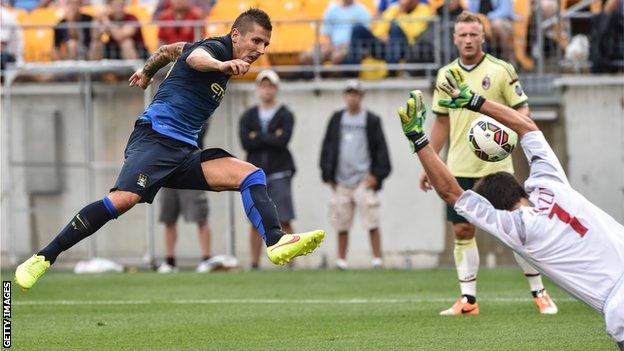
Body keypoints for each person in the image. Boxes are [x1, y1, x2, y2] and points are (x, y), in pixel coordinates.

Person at [15, 8, 326, 290]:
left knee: (250, 174)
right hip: (156, 138)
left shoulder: (210, 50)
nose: (260, 50)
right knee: (123, 200)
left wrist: (148, 72)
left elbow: (169, 51)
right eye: (256, 41)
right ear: (235, 35)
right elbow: (194, 59)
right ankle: (43, 258)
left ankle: (275, 241)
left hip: (184, 151)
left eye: (265, 45)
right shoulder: (216, 50)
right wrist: (221, 64)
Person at [396, 69, 624, 348]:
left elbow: (451, 193)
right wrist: (475, 102)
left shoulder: (519, 228)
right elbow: (526, 126)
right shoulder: (551, 183)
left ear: (498, 209)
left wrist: (419, 139)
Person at [426, 11, 557, 316]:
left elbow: (523, 113)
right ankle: (468, 301)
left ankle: (540, 292)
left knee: (518, 230)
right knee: (462, 231)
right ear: (454, 38)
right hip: (457, 167)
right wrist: (429, 162)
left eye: (474, 34)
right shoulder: (446, 75)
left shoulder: (501, 70)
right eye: (463, 35)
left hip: (497, 168)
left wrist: (504, 136)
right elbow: (441, 122)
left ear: (483, 37)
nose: (469, 40)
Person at [320, 80, 391, 269]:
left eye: (356, 94)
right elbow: (327, 147)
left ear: (361, 96)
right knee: (341, 222)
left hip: (363, 180)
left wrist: (376, 176)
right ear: (345, 96)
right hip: (341, 181)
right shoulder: (337, 119)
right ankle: (341, 260)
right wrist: (328, 175)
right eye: (349, 93)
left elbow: (381, 150)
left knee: (372, 220)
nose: (352, 97)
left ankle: (377, 259)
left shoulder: (371, 120)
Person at [239, 69, 297, 270]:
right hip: (256, 175)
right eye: (263, 86)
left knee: (284, 218)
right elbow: (246, 142)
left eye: (270, 86)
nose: (267, 90)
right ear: (258, 89)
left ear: (276, 89)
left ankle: (291, 263)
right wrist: (272, 135)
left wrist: (259, 136)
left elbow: (283, 141)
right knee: (256, 220)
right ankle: (254, 262)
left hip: (280, 172)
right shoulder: (248, 115)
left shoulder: (285, 114)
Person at [157, 123, 213, 273]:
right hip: (168, 170)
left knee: (201, 216)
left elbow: (195, 133)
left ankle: (206, 260)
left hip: (192, 168)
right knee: (168, 218)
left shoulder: (197, 110)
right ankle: (170, 261)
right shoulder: (165, 110)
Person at [345, 0, 432, 69]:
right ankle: (351, 71)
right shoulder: (394, 8)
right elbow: (379, 30)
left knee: (395, 29)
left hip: (407, 48)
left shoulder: (424, 9)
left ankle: (392, 71)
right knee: (358, 29)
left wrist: (400, 14)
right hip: (386, 46)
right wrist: (383, 36)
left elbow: (413, 33)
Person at [299, 0, 371, 67]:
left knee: (336, 57)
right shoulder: (332, 10)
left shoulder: (362, 11)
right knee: (306, 57)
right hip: (332, 46)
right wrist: (329, 46)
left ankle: (331, 75)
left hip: (351, 47)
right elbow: (327, 33)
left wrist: (344, 46)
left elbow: (363, 34)